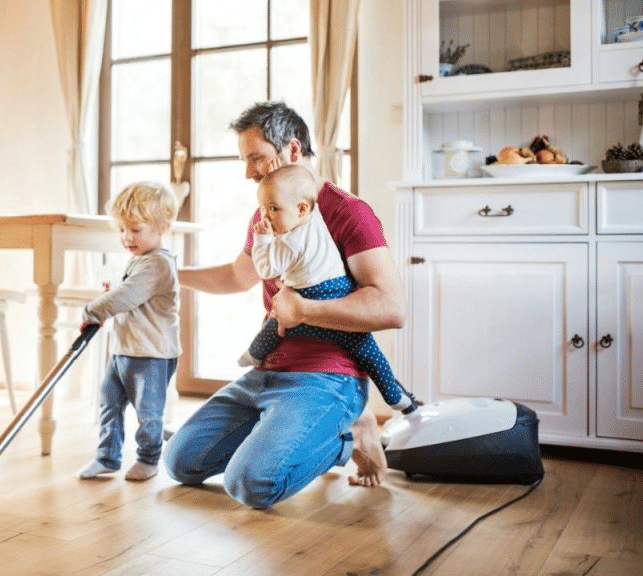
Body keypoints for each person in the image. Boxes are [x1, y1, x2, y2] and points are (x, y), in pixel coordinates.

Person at [163, 101, 405, 508]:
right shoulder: (269, 213)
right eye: (245, 160)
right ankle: (288, 430)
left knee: (251, 484)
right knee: (180, 463)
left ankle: (351, 431)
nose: (248, 172)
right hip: (267, 370)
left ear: (292, 151)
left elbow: (390, 307)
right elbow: (238, 277)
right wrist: (167, 273)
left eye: (256, 157)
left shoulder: (348, 213)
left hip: (327, 375)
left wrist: (306, 311)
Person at [239, 164, 411, 412]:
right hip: (337, 288)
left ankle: (254, 354)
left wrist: (262, 240)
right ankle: (395, 397)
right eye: (263, 209)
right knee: (369, 353)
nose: (264, 217)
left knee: (276, 325)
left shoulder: (290, 242)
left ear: (301, 208)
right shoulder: (316, 216)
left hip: (315, 298)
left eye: (273, 209)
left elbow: (266, 269)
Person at [76, 181, 181, 482]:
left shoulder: (158, 265)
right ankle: (107, 457)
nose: (126, 237)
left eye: (135, 229)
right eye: (122, 229)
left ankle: (149, 458)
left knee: (147, 411)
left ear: (161, 226)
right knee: (109, 401)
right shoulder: (140, 260)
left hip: (151, 353)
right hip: (123, 349)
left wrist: (91, 311)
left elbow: (124, 297)